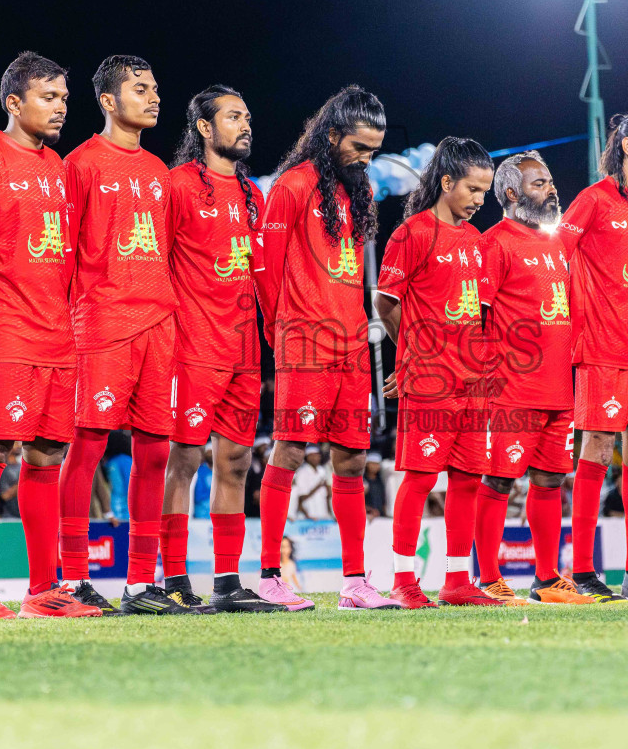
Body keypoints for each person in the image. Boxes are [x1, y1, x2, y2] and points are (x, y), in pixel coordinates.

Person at [0, 51, 97, 619]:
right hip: (4, 325)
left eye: (62, 98)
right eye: (48, 97)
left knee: (49, 453)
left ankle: (42, 588)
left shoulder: (59, 166)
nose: (60, 108)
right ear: (14, 102)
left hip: (58, 330)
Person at [254, 86, 399, 610]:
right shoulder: (292, 186)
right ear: (332, 134)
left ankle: (355, 584)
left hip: (352, 345)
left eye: (374, 151)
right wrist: (279, 332)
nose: (366, 158)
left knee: (353, 462)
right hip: (305, 341)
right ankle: (271, 576)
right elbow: (264, 268)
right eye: (360, 147)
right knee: (290, 450)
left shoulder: (351, 193)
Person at [52, 55, 187, 616]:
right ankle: (75, 577)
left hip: (160, 323)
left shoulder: (159, 170)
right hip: (102, 322)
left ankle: (139, 583)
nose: (153, 97)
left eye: (155, 87)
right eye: (139, 88)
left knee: (155, 451)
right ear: (108, 101)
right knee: (87, 447)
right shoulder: (79, 163)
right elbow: (60, 253)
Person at [156, 85, 283, 612]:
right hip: (192, 346)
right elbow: (154, 262)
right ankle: (174, 579)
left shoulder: (253, 194)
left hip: (244, 350)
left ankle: (227, 583)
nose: (245, 124)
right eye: (234, 116)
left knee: (234, 464)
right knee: (182, 460)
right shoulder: (178, 186)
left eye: (247, 115)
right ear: (205, 128)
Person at [375, 137, 503, 608]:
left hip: (474, 381)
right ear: (446, 182)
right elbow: (385, 302)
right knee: (421, 478)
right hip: (431, 380)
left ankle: (455, 580)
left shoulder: (475, 241)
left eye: (485, 192)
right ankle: (404, 580)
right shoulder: (412, 233)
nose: (478, 200)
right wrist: (410, 355)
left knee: (468, 478)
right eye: (472, 189)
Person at [557, 112, 628, 601]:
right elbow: (554, 257)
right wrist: (568, 323)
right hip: (604, 350)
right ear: (627, 145)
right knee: (599, 451)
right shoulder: (594, 199)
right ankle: (582, 570)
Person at [473, 151, 599, 604]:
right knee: (499, 480)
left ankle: (546, 579)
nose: (551, 189)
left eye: (549, 182)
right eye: (538, 184)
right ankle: (487, 579)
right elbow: (476, 319)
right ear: (510, 193)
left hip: (557, 389)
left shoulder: (556, 245)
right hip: (510, 389)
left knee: (550, 481)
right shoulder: (494, 242)